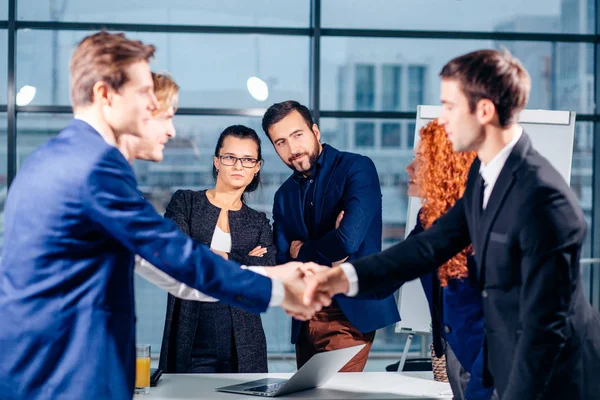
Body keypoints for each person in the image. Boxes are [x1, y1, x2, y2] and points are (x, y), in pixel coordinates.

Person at [0, 32, 323, 400]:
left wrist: (271, 275)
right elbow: (179, 259)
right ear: (105, 95)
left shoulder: (54, 158)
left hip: (37, 375)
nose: (164, 121)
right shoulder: (94, 168)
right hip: (65, 380)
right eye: (145, 95)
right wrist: (278, 287)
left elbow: (172, 272)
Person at [304, 49, 600, 400]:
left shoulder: (544, 200)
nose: (441, 119)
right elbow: (424, 249)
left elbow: (543, 331)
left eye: (450, 107)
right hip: (494, 366)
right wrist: (337, 278)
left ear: (485, 110)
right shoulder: (482, 176)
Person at [262, 100, 400, 372]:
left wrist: (300, 252)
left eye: (297, 135)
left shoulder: (357, 168)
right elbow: (281, 260)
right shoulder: (283, 195)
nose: (292, 149)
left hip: (349, 314)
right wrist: (329, 249)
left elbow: (347, 241)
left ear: (315, 131)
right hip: (305, 318)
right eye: (280, 143)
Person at [158, 125, 274, 374]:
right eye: (230, 158)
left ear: (257, 167)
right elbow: (178, 256)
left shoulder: (258, 222)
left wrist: (226, 257)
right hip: (191, 336)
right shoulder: (186, 202)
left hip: (244, 342)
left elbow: (267, 277)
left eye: (247, 160)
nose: (238, 166)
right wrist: (245, 261)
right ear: (217, 162)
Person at [407, 119, 495, 400]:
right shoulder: (428, 219)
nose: (409, 169)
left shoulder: (486, 222)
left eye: (420, 160)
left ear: (445, 167)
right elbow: (394, 267)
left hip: (491, 355)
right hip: (454, 346)